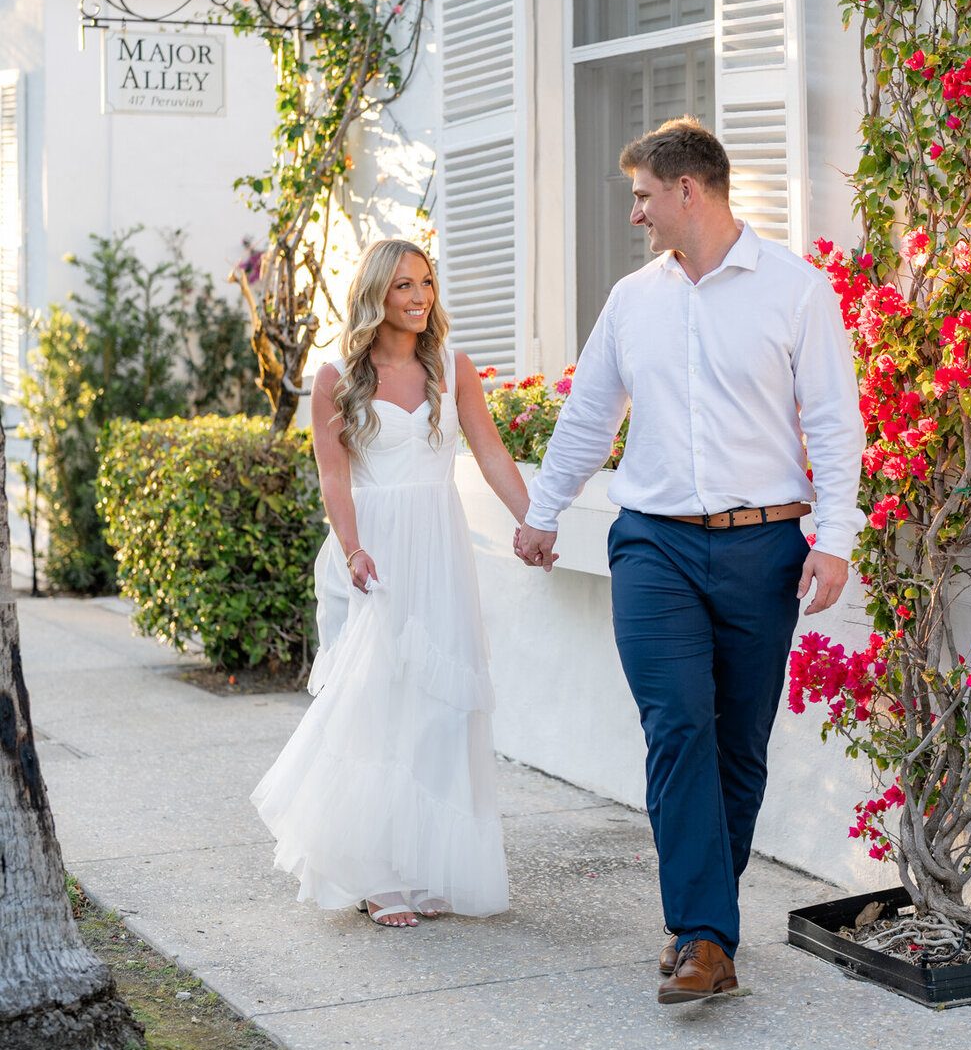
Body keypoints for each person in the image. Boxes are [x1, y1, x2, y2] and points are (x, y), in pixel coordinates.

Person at [515, 119, 864, 1003]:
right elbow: (590, 414)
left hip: (763, 542)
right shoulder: (634, 301)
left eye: (641, 195)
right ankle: (706, 937)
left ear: (687, 191)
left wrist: (834, 537)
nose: (634, 213)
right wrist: (544, 510)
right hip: (655, 543)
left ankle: (703, 920)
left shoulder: (796, 290)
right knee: (677, 724)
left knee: (738, 745)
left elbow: (832, 420)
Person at [252, 238, 529, 928]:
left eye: (427, 284)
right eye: (404, 285)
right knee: (377, 706)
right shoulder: (336, 379)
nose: (419, 297)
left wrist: (536, 520)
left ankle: (425, 863)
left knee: (438, 709)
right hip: (374, 553)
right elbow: (334, 474)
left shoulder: (451, 368)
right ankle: (376, 874)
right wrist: (352, 550)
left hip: (439, 549)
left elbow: (490, 451)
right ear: (377, 293)